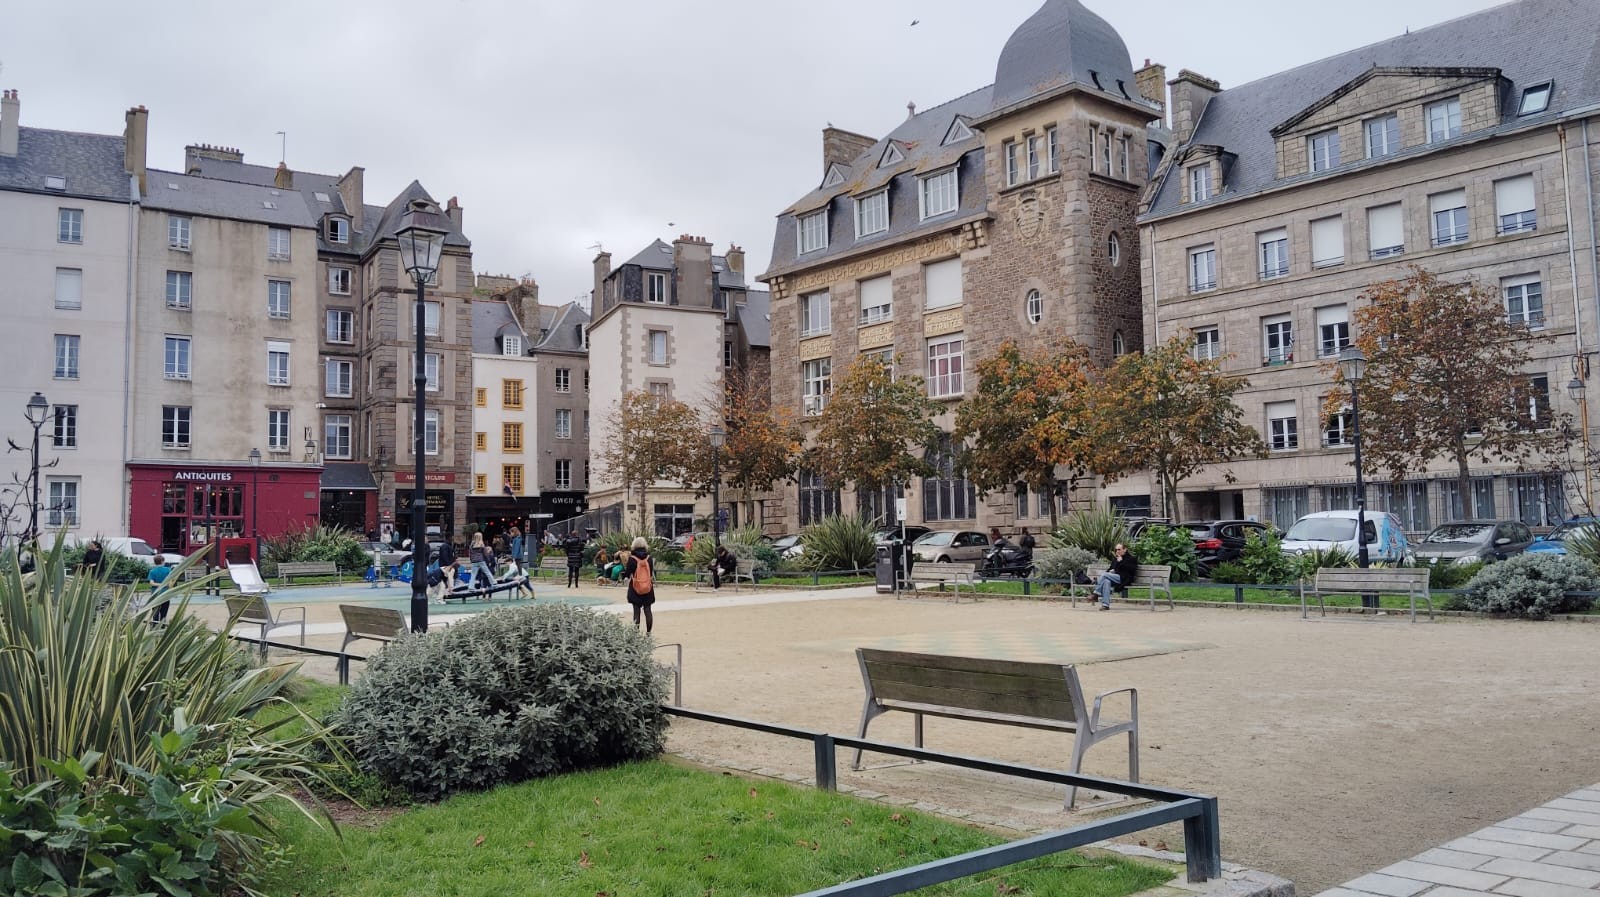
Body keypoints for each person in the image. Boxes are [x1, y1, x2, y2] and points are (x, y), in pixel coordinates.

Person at [624, 536, 656, 633]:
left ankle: (636, 635)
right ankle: (648, 633)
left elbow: (627, 573)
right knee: (648, 610)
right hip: (647, 587)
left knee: (636, 611)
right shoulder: (649, 558)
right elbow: (650, 573)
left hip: (635, 587)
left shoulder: (632, 559)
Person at [1095, 543, 1138, 611]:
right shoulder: (1116, 559)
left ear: (1125, 550)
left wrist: (1121, 562)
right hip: (1115, 578)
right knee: (1106, 581)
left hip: (1125, 579)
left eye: (1119, 549)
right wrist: (1111, 571)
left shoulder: (1131, 559)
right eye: (1116, 550)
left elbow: (1131, 571)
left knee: (1104, 575)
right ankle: (1105, 605)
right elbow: (1110, 569)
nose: (1117, 551)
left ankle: (1096, 594)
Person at [147, 555, 174, 623]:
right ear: (162, 561)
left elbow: (151, 583)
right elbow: (170, 584)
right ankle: (162, 625)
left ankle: (154, 626)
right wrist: (164, 585)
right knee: (164, 613)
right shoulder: (168, 570)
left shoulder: (152, 571)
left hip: (155, 594)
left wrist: (159, 585)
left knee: (155, 613)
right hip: (165, 594)